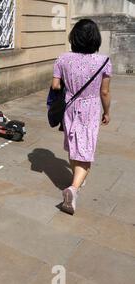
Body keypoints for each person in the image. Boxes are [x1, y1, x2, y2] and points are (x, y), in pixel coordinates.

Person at [51, 19, 112, 214]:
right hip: (90, 107)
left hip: (69, 106)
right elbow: (104, 92)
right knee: (86, 147)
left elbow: (55, 86)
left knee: (73, 142)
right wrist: (107, 112)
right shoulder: (103, 61)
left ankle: (76, 179)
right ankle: (73, 189)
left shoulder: (62, 59)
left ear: (74, 38)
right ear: (95, 39)